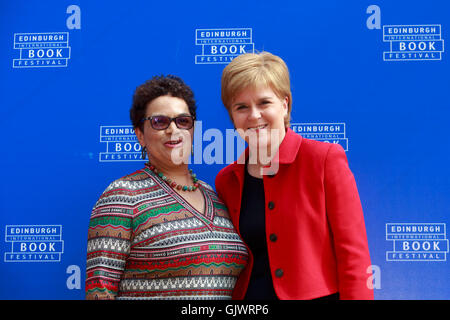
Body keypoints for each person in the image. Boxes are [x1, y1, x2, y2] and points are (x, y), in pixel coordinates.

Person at [215, 52, 374, 300]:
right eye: (241, 107)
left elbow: (353, 254)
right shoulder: (227, 179)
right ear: (232, 116)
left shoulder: (324, 159)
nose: (254, 115)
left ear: (285, 104)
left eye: (264, 103)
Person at [86, 75, 248, 300]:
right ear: (140, 134)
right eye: (160, 122)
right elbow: (99, 293)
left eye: (183, 121)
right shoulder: (122, 196)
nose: (173, 130)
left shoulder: (216, 196)